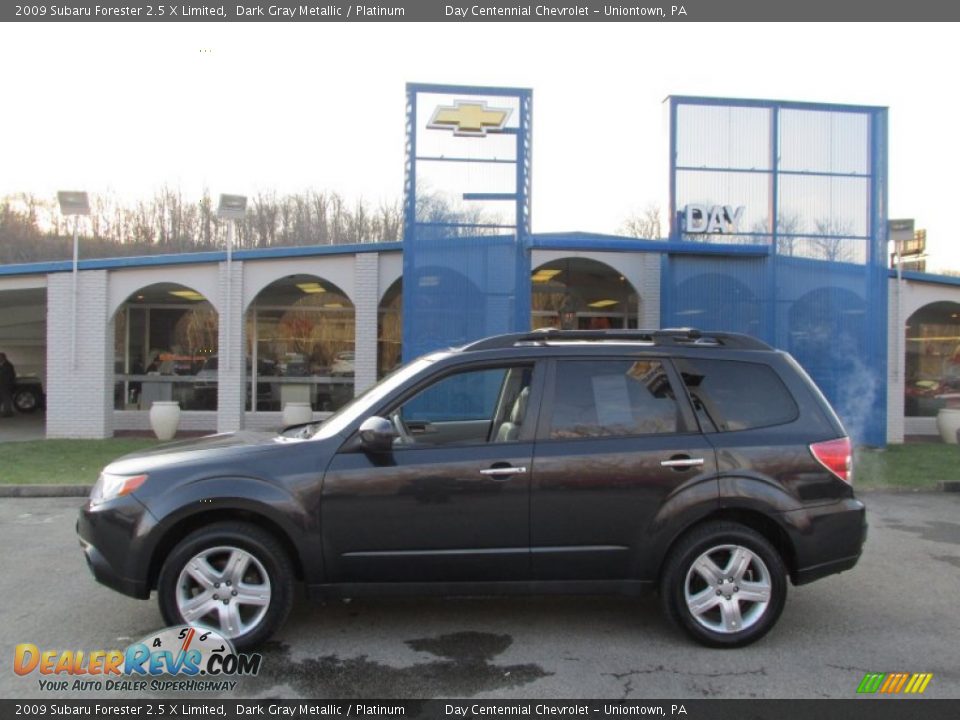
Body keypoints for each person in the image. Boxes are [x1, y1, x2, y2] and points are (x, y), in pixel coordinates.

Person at [0, 352, 16, 418]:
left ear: (4, 357)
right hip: (2, 385)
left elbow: (11, 376)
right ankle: (7, 411)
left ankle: (7, 413)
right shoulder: (2, 364)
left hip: (6, 385)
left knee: (6, 399)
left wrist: (8, 384)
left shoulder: (8, 365)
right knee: (2, 398)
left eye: (0, 357)